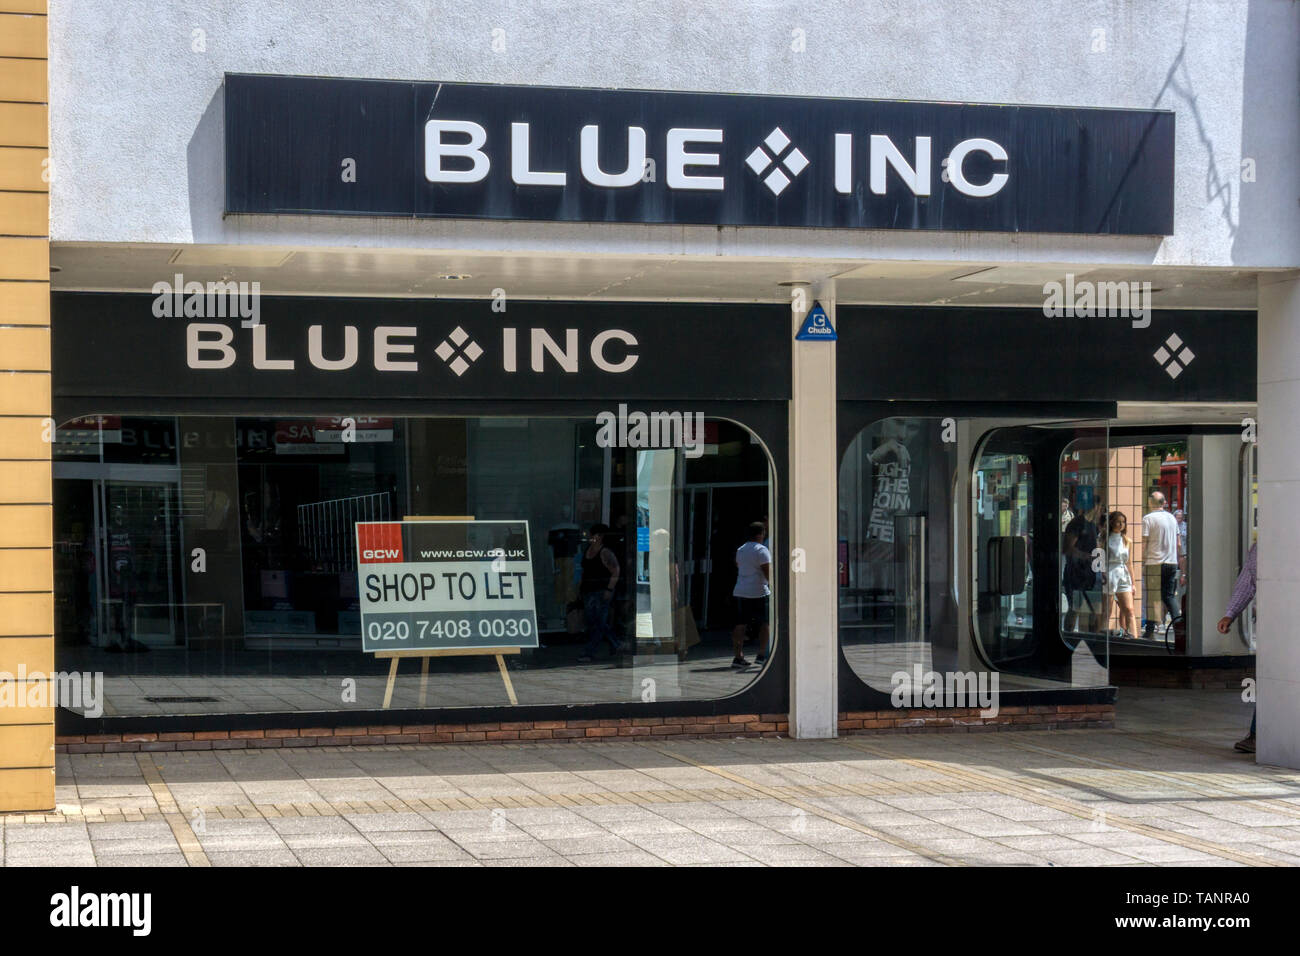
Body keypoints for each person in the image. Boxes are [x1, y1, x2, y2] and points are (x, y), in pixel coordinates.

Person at [1217, 542, 1257, 753]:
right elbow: (1247, 582)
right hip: (1278, 629)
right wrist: (1230, 614)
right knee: (1272, 680)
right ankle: (1257, 735)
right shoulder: (1261, 549)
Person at [576, 523, 622, 663]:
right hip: (588, 591)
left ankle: (589, 651)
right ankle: (616, 644)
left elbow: (615, 570)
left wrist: (609, 589)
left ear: (601, 536)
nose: (592, 537)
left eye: (595, 535)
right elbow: (584, 572)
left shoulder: (605, 552)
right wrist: (579, 589)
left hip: (601, 591)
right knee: (594, 621)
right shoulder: (587, 551)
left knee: (598, 622)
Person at [1141, 491, 1182, 639]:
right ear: (1163, 502)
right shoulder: (1172, 518)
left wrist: (1141, 560)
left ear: (1151, 502)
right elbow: (1178, 544)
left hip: (1154, 562)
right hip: (1171, 562)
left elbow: (1144, 543)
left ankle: (1150, 631)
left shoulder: (1148, 519)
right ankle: (1180, 626)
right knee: (1169, 596)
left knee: (1153, 598)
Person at [730, 521, 771, 668]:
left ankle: (738, 656)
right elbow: (767, 571)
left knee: (740, 624)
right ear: (761, 534)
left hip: (741, 590)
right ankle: (761, 655)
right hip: (759, 591)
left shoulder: (741, 549)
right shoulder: (762, 550)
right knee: (765, 624)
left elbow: (738, 565)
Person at [1062, 502, 1103, 633]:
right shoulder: (1077, 523)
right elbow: (1067, 548)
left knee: (1094, 609)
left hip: (1090, 573)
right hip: (1076, 573)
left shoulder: (1092, 525)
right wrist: (1086, 556)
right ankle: (1068, 636)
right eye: (1100, 506)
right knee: (1075, 608)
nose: (1101, 510)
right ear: (1095, 506)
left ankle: (1092, 639)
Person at [1104, 511, 1137, 639]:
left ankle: (1134, 638)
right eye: (1118, 521)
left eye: (1123, 522)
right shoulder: (1104, 538)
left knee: (1129, 609)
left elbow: (1129, 563)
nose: (1121, 524)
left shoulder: (1127, 540)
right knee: (1108, 610)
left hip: (1123, 574)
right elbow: (1098, 559)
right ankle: (1103, 637)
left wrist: (1133, 583)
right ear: (1112, 522)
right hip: (1109, 573)